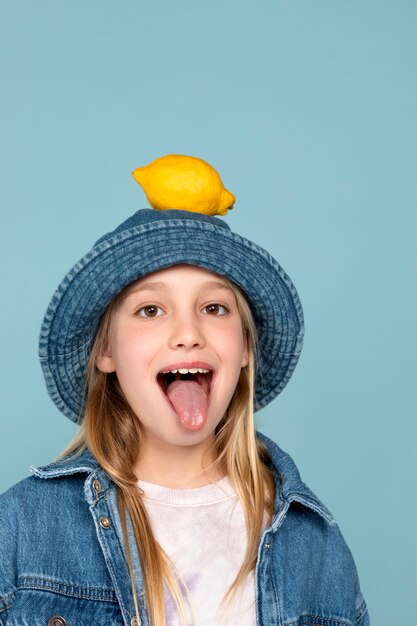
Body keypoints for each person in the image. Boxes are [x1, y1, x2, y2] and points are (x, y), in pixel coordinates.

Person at [0, 183, 370, 625]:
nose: (188, 332)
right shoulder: (23, 527)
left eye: (214, 308)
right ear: (107, 353)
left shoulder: (313, 544)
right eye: (151, 310)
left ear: (246, 347)